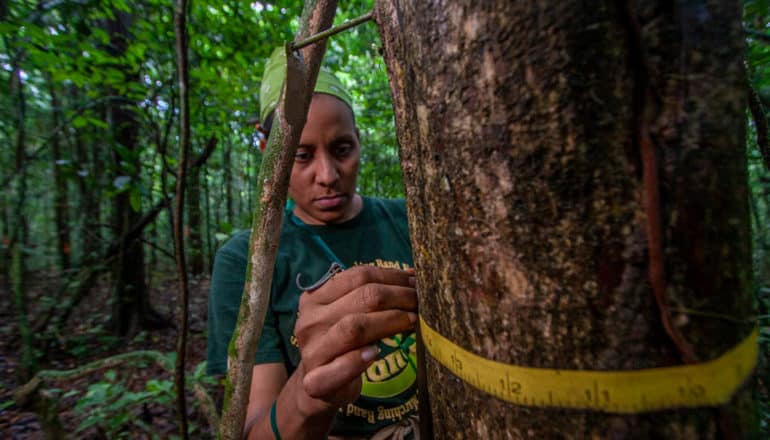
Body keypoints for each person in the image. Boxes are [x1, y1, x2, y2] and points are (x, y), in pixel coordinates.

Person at [207, 47, 419, 439]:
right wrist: (310, 394)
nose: (327, 175)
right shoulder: (247, 262)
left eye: (342, 149)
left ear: (358, 141)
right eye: (302, 155)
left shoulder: (413, 219)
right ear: (269, 153)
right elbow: (254, 428)